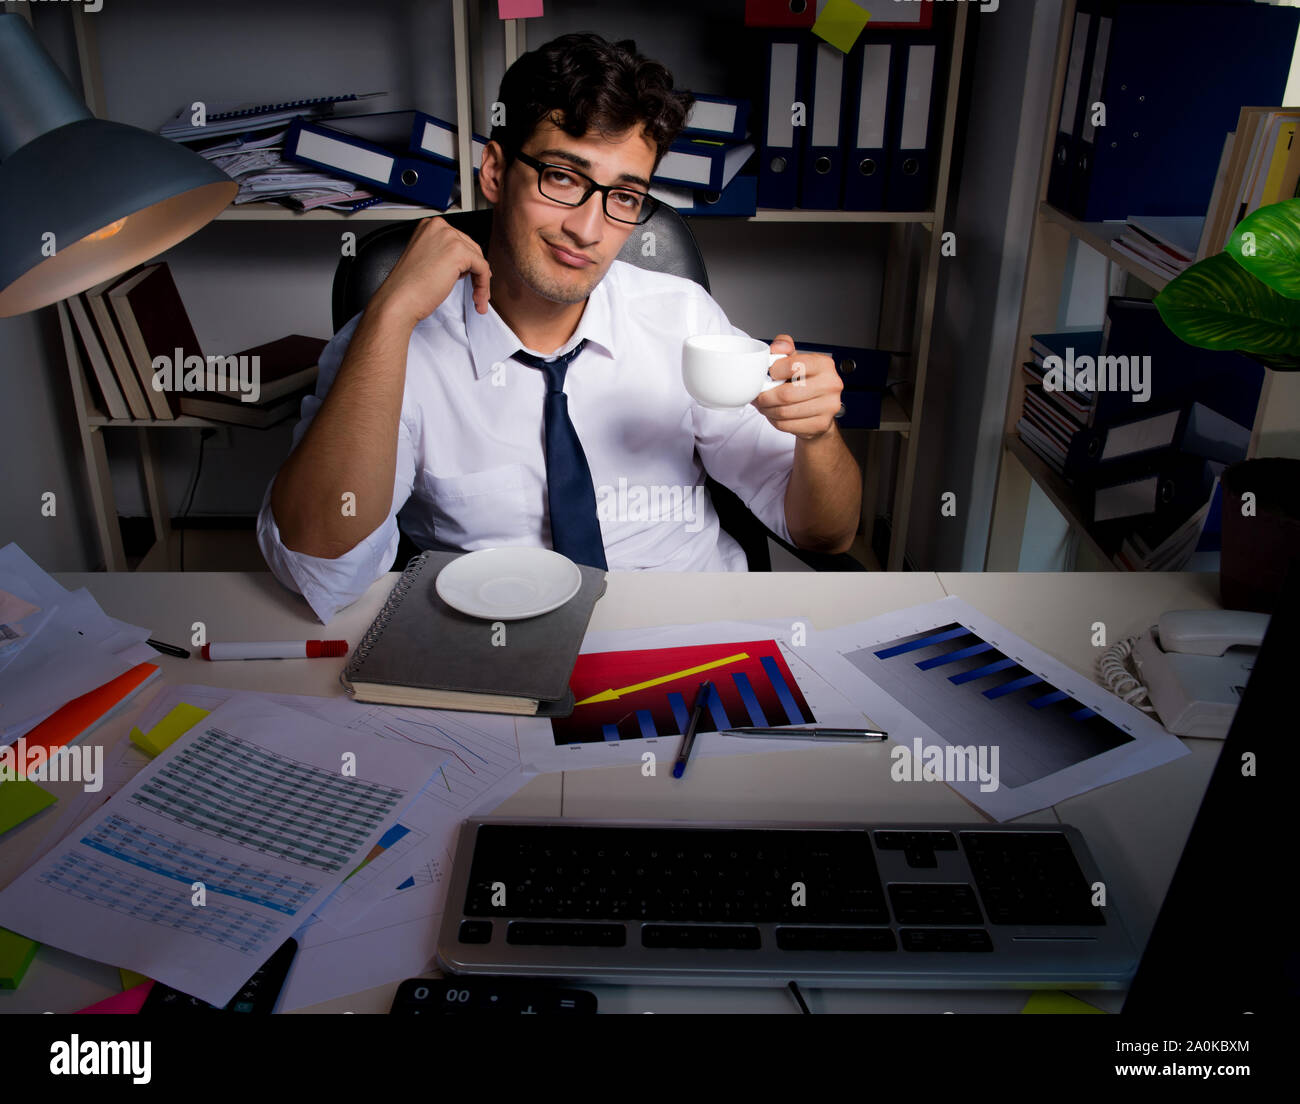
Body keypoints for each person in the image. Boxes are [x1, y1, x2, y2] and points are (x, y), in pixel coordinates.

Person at [258, 33, 861, 624]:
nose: (588, 230)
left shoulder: (684, 317)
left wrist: (817, 437)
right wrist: (389, 318)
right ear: (494, 173)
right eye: (564, 178)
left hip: (695, 627)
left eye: (624, 196)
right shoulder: (394, 340)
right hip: (499, 640)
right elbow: (318, 566)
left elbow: (825, 534)